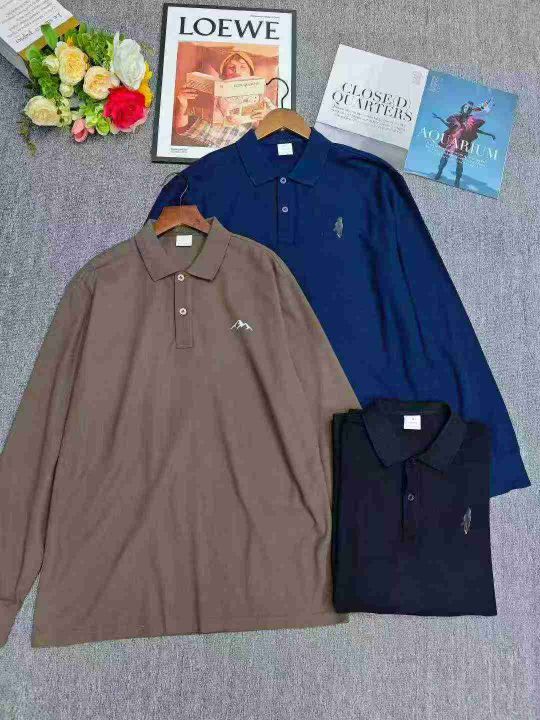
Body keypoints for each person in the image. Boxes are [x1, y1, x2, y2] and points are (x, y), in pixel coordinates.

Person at [172, 50, 275, 148]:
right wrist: (182, 104)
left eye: (243, 66)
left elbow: (276, 133)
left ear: (250, 74)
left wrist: (267, 117)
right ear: (224, 75)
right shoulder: (208, 94)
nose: (236, 70)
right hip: (198, 144)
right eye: (231, 67)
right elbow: (181, 130)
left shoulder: (262, 100)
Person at [432, 100, 496, 188]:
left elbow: (476, 130)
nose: (467, 109)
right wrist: (440, 118)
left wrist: (489, 134)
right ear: (463, 108)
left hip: (463, 143)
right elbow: (449, 125)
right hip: (453, 140)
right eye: (465, 107)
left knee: (459, 161)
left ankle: (457, 179)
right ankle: (439, 172)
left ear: (470, 110)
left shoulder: (471, 120)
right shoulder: (457, 117)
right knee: (445, 156)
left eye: (469, 108)